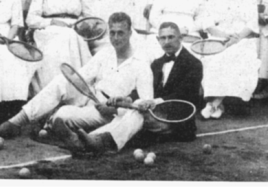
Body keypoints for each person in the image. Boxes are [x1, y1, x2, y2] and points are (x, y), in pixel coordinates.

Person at [0, 13, 153, 152]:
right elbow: (79, 78)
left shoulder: (141, 63)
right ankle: (15, 122)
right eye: (113, 33)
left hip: (120, 114)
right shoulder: (104, 54)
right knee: (62, 102)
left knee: (137, 116)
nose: (116, 38)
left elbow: (147, 103)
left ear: (130, 33)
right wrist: (61, 97)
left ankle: (97, 141)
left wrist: (121, 105)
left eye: (121, 33)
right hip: (95, 107)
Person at [76, 22, 202, 152]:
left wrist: (153, 102)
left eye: (171, 37)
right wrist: (128, 99)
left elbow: (185, 94)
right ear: (158, 40)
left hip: (177, 124)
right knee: (133, 110)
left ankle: (99, 141)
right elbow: (142, 88)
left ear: (180, 38)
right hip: (155, 116)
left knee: (137, 112)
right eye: (163, 38)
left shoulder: (194, 64)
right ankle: (89, 140)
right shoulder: (157, 64)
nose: (167, 41)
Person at [27, 0, 92, 95]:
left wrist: (80, 25)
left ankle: (73, 94)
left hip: (74, 30)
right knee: (63, 38)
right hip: (48, 31)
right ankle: (52, 93)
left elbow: (89, 17)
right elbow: (31, 19)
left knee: (70, 36)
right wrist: (52, 22)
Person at [200, 0, 260, 119]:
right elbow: (207, 21)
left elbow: (252, 23)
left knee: (238, 54)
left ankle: (215, 103)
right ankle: (218, 103)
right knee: (217, 57)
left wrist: (237, 37)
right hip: (218, 36)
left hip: (241, 38)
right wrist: (222, 35)